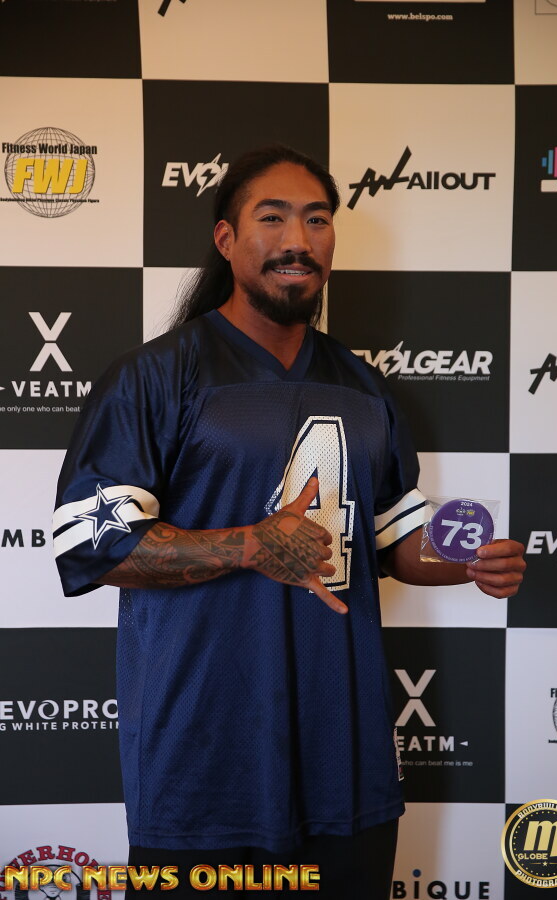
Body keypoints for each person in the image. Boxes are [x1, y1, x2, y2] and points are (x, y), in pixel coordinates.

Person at [53, 145, 525, 899]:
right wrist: (251, 544)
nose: (297, 240)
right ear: (227, 238)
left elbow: (393, 543)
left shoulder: (365, 386)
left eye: (317, 220)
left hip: (344, 755)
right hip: (202, 762)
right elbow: (94, 547)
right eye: (271, 218)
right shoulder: (155, 375)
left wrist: (464, 563)